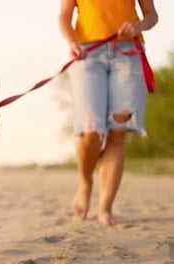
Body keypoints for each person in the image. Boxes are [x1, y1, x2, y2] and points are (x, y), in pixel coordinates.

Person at [58, 0, 158, 226]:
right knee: (91, 131)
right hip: (87, 53)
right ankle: (85, 182)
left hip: (128, 52)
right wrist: (72, 41)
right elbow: (64, 15)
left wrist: (139, 26)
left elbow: (151, 15)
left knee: (117, 132)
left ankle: (105, 208)